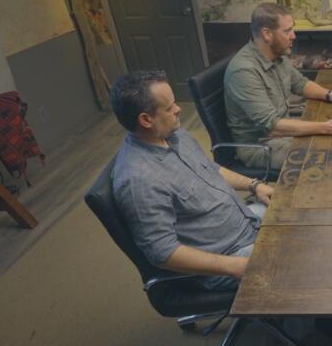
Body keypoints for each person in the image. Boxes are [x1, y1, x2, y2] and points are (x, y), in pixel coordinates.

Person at [111, 70, 274, 291]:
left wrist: (254, 185)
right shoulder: (139, 179)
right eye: (169, 107)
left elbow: (210, 169)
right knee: (302, 257)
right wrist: (233, 266)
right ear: (146, 120)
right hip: (229, 257)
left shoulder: (174, 135)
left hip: (245, 221)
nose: (179, 109)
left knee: (299, 211)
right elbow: (163, 252)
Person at [225, 2, 332, 171]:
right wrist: (326, 127)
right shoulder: (244, 71)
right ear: (267, 34)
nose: (293, 36)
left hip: (283, 132)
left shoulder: (277, 56)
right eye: (287, 31)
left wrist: (331, 95)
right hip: (261, 146)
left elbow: (300, 83)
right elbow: (272, 125)